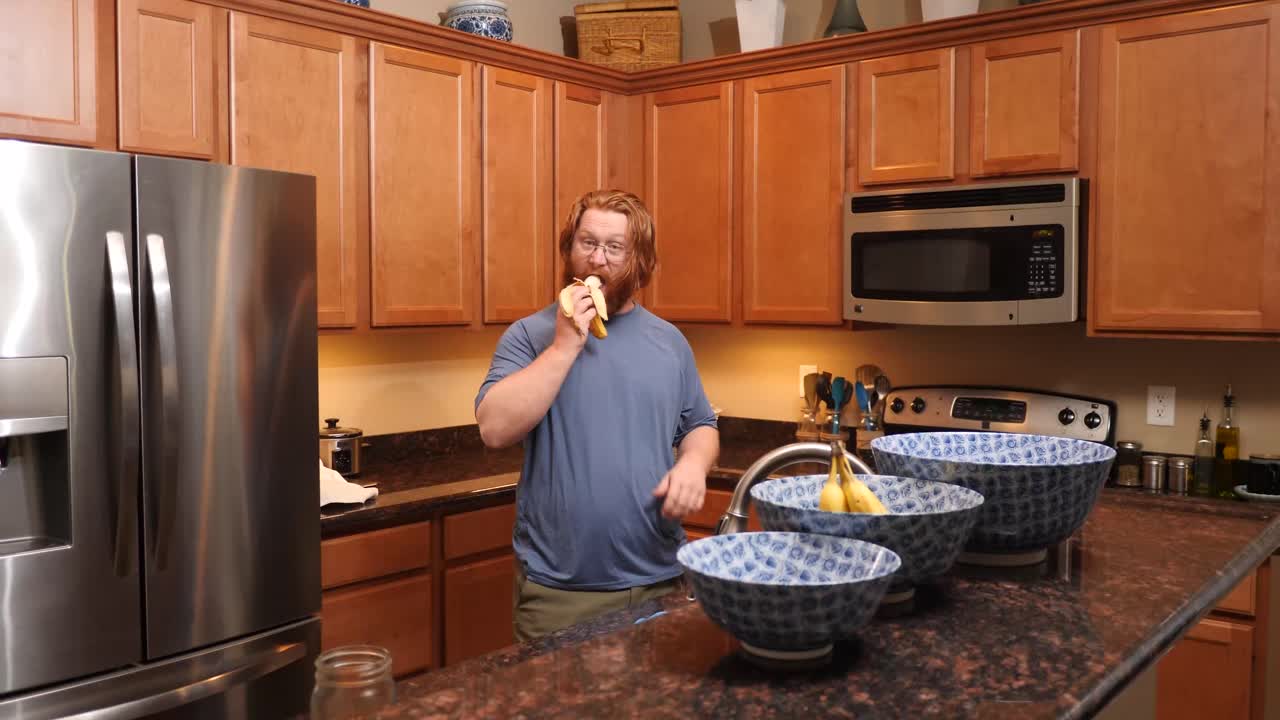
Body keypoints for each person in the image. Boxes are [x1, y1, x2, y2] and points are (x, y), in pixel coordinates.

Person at [474, 189, 720, 642]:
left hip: (660, 580)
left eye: (614, 248)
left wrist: (693, 463)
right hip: (560, 594)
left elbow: (700, 425)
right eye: (587, 243)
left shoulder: (669, 342)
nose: (597, 259)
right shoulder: (530, 335)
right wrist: (564, 346)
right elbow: (494, 428)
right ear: (569, 251)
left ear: (641, 263)